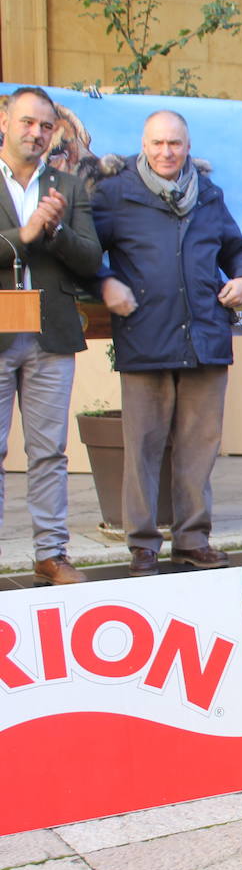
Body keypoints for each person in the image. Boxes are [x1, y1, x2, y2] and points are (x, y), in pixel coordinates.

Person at [91, 109, 242, 576]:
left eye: (175, 144)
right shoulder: (114, 193)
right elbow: (89, 252)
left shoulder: (208, 195)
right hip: (145, 338)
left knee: (199, 447)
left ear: (188, 146)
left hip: (205, 337)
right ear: (143, 145)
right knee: (142, 447)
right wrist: (106, 282)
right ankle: (142, 544)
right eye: (157, 144)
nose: (167, 152)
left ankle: (192, 539)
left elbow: (237, 248)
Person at [0, 86, 103, 585]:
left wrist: (56, 231)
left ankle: (51, 554)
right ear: (5, 122)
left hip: (49, 335)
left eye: (45, 126)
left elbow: (89, 259)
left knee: (48, 451)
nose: (37, 133)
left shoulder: (67, 185)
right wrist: (23, 235)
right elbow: (19, 242)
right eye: (27, 122)